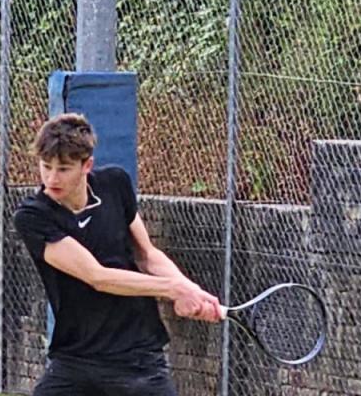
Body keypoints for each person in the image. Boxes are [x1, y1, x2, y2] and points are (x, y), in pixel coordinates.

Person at [13, 113, 222, 396]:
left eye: (63, 169)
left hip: (138, 357)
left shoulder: (115, 184)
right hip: (76, 359)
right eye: (45, 166)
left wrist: (190, 289)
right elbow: (96, 276)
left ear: (87, 165)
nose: (51, 178)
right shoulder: (34, 216)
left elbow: (147, 255)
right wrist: (174, 289)